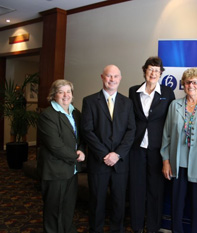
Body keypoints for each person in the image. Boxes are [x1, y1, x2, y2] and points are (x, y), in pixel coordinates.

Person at [160, 68, 197, 233]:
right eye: (188, 82)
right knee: (176, 207)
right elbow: (166, 136)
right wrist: (165, 161)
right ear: (184, 85)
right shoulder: (174, 105)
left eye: (195, 82)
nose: (191, 85)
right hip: (177, 165)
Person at [81, 65, 136, 233]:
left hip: (120, 162)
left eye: (116, 76)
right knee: (97, 201)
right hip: (99, 161)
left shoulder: (127, 103)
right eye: (108, 76)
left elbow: (131, 130)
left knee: (119, 201)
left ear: (120, 78)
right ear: (102, 77)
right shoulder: (89, 101)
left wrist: (117, 154)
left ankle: (116, 230)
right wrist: (105, 154)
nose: (112, 79)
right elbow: (87, 130)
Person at [128, 57, 175, 233]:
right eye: (150, 70)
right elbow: (130, 118)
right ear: (144, 71)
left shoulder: (168, 92)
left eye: (157, 71)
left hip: (158, 148)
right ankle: (137, 226)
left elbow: (171, 122)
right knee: (136, 188)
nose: (153, 73)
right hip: (136, 147)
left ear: (161, 74)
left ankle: (153, 227)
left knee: (156, 190)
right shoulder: (133, 91)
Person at [37, 79, 86, 233]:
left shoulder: (75, 112)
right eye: (61, 92)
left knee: (68, 206)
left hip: (71, 170)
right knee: (53, 209)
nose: (66, 95)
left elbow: (81, 138)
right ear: (54, 95)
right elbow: (55, 146)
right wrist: (76, 156)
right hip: (55, 170)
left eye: (68, 92)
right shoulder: (48, 115)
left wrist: (82, 151)